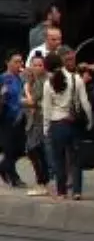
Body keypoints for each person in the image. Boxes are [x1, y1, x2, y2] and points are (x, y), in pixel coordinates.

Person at [41, 52, 90, 200]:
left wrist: (46, 127)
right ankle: (77, 191)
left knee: (59, 159)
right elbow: (85, 103)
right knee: (75, 159)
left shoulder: (48, 84)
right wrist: (90, 121)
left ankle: (61, 191)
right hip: (73, 123)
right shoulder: (76, 79)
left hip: (57, 124)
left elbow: (47, 109)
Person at [21, 54, 50, 197]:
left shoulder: (45, 81)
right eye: (35, 65)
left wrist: (26, 94)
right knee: (34, 151)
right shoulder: (31, 80)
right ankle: (42, 181)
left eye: (40, 65)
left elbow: (33, 101)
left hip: (41, 120)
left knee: (34, 150)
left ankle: (42, 182)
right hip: (31, 121)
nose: (38, 68)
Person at [0, 51, 25, 188]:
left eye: (21, 61)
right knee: (10, 149)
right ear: (8, 62)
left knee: (20, 149)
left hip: (20, 117)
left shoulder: (20, 78)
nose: (19, 64)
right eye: (16, 61)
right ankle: (13, 176)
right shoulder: (3, 78)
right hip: (7, 118)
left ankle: (4, 168)